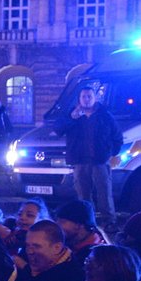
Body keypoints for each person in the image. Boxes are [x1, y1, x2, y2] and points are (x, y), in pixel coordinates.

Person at [55, 85, 123, 222]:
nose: (86, 99)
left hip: (100, 161)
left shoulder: (105, 115)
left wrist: (110, 154)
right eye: (84, 97)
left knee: (105, 194)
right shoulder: (72, 115)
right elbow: (58, 130)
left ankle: (109, 221)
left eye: (89, 96)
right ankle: (87, 222)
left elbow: (117, 137)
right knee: (83, 196)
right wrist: (71, 119)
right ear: (79, 99)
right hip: (80, 161)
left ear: (95, 98)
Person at [55, 199, 108, 265]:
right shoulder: (73, 244)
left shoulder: (95, 256)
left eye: (62, 222)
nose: (57, 225)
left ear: (79, 225)